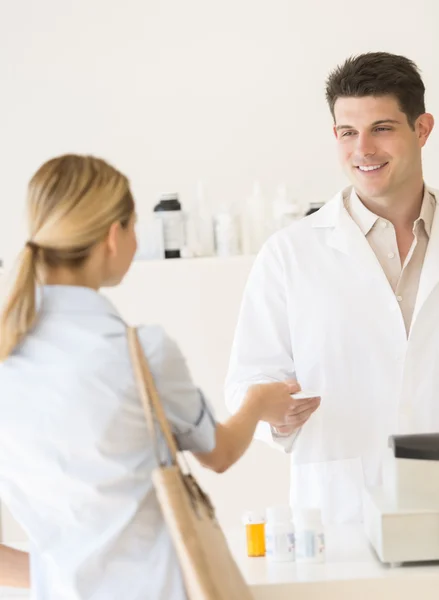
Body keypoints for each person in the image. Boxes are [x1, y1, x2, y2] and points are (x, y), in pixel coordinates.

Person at [0, 154, 308, 598]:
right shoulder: (141, 352)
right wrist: (258, 403)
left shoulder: (9, 358)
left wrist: (61, 578)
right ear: (113, 236)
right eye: (134, 226)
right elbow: (218, 454)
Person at [225, 51, 439, 524]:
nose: (363, 149)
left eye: (381, 128)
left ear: (421, 129)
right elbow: (247, 381)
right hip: (344, 515)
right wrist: (274, 415)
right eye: (348, 132)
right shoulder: (290, 256)